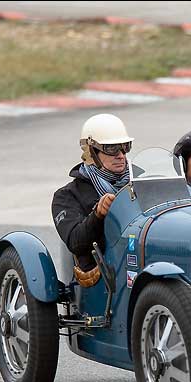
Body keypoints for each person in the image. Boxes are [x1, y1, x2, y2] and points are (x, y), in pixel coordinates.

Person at [52, 113, 133, 286]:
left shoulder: (141, 181)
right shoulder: (67, 195)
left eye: (125, 146)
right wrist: (98, 214)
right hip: (103, 275)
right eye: (111, 148)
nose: (120, 155)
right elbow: (75, 242)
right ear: (91, 152)